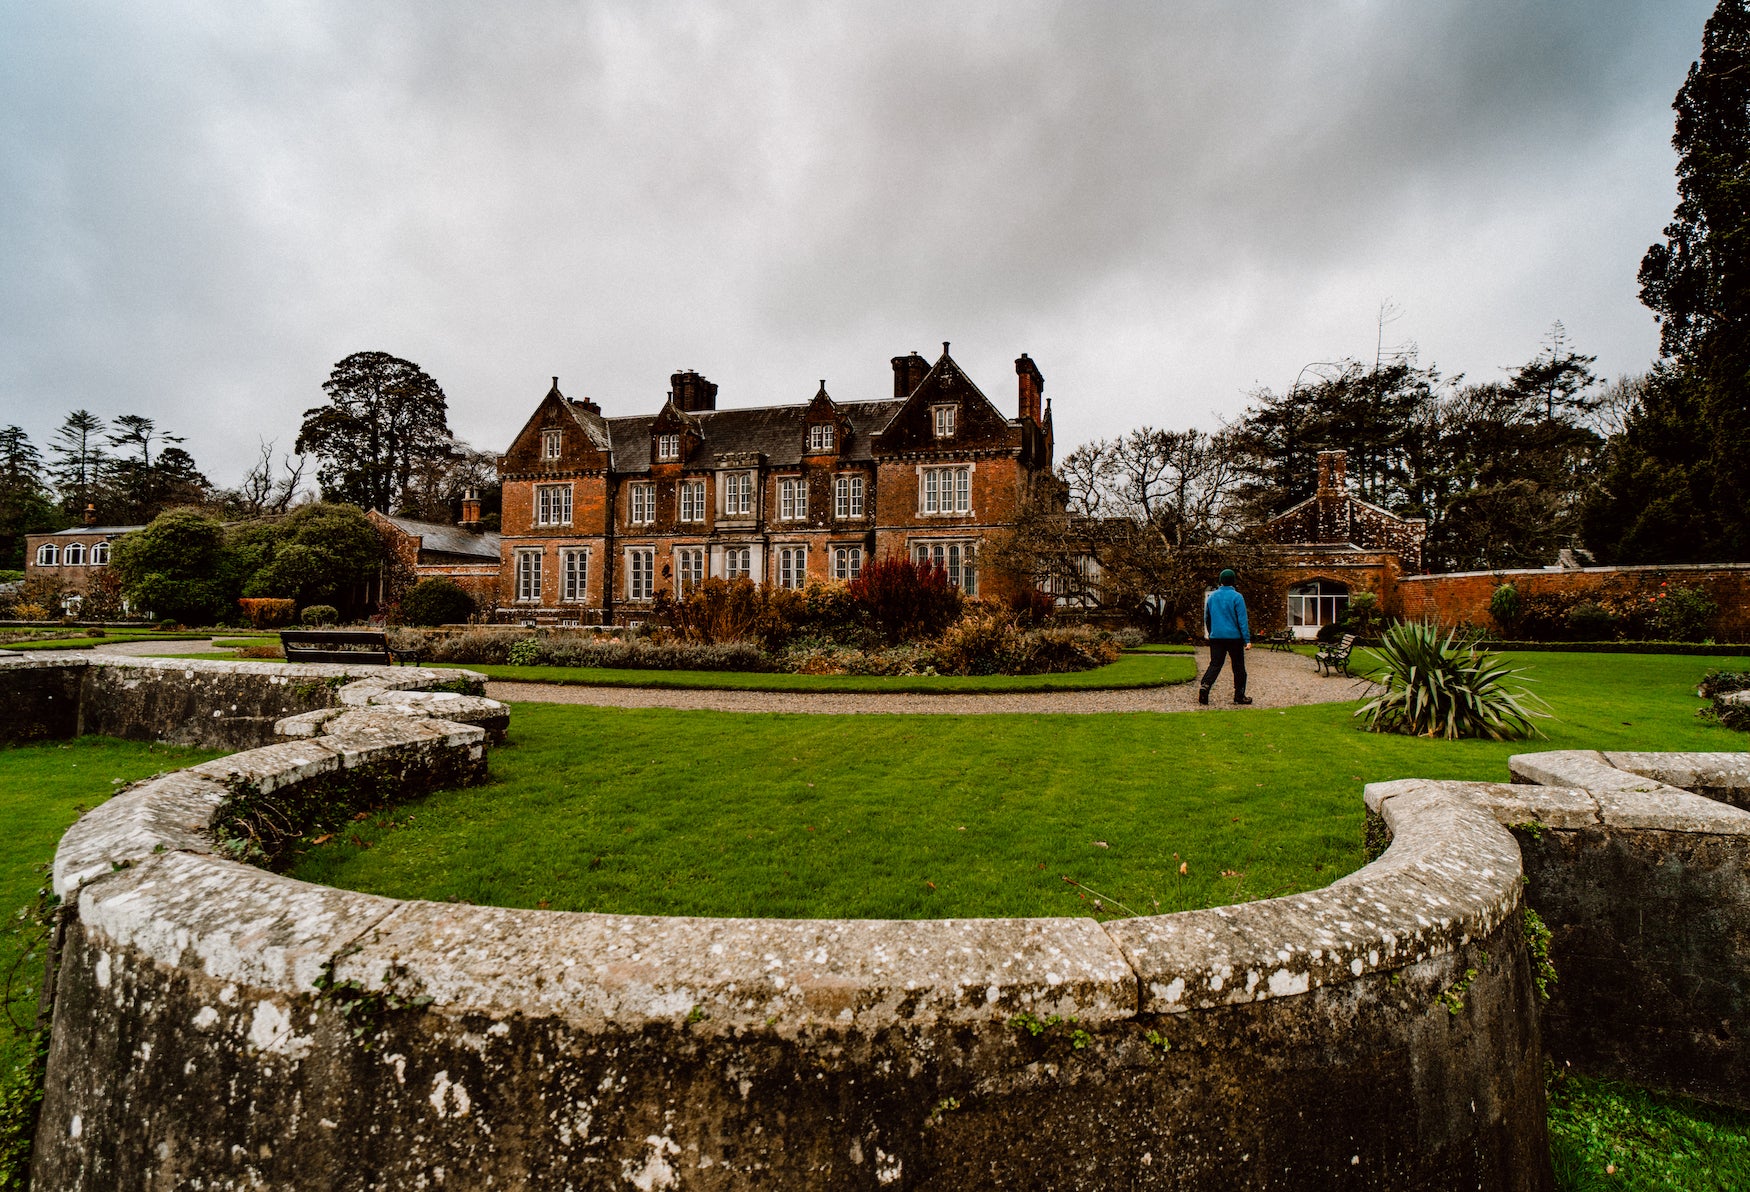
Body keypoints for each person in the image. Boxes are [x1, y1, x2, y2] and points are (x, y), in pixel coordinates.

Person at [1200, 568, 1252, 705]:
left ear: (1220, 581)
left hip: (1217, 637)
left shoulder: (1212, 597)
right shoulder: (1237, 597)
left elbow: (1207, 618)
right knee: (1238, 667)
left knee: (1215, 664)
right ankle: (1239, 696)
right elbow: (1242, 620)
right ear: (1233, 581)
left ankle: (1205, 685)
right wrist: (1247, 640)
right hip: (1234, 638)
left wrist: (1212, 633)